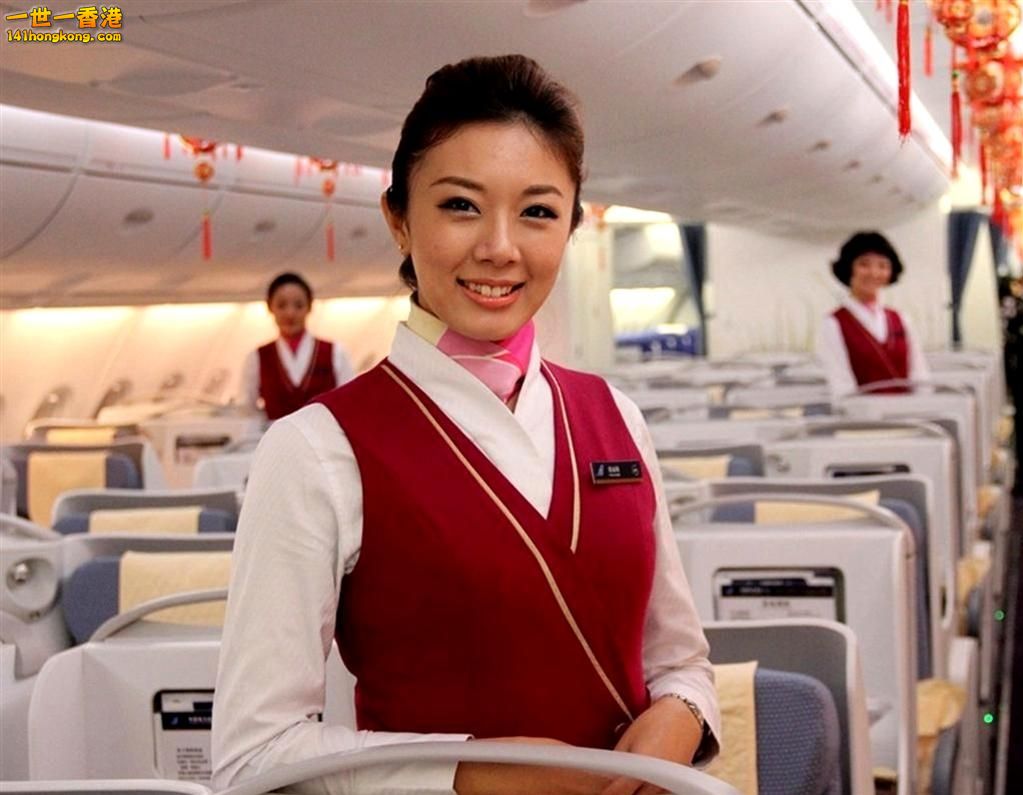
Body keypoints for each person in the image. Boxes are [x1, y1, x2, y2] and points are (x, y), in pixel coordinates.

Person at [213, 54, 720, 795]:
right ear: (397, 218)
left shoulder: (616, 416)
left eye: (538, 211)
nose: (500, 247)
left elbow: (678, 659)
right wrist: (467, 773)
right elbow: (252, 755)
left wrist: (681, 714)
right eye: (460, 205)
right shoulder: (316, 449)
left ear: (570, 226)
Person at [816, 231, 931, 398]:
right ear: (849, 268)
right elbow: (840, 385)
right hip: (862, 418)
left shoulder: (900, 319)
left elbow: (919, 374)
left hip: (909, 415)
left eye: (882, 266)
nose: (874, 273)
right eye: (864, 264)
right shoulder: (834, 323)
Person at [235, 272, 355, 419]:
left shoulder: (335, 352)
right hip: (277, 438)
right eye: (281, 305)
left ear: (309, 307)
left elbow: (349, 401)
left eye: (298, 305)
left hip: (323, 439)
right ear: (270, 307)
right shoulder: (258, 357)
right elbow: (246, 408)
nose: (290, 313)